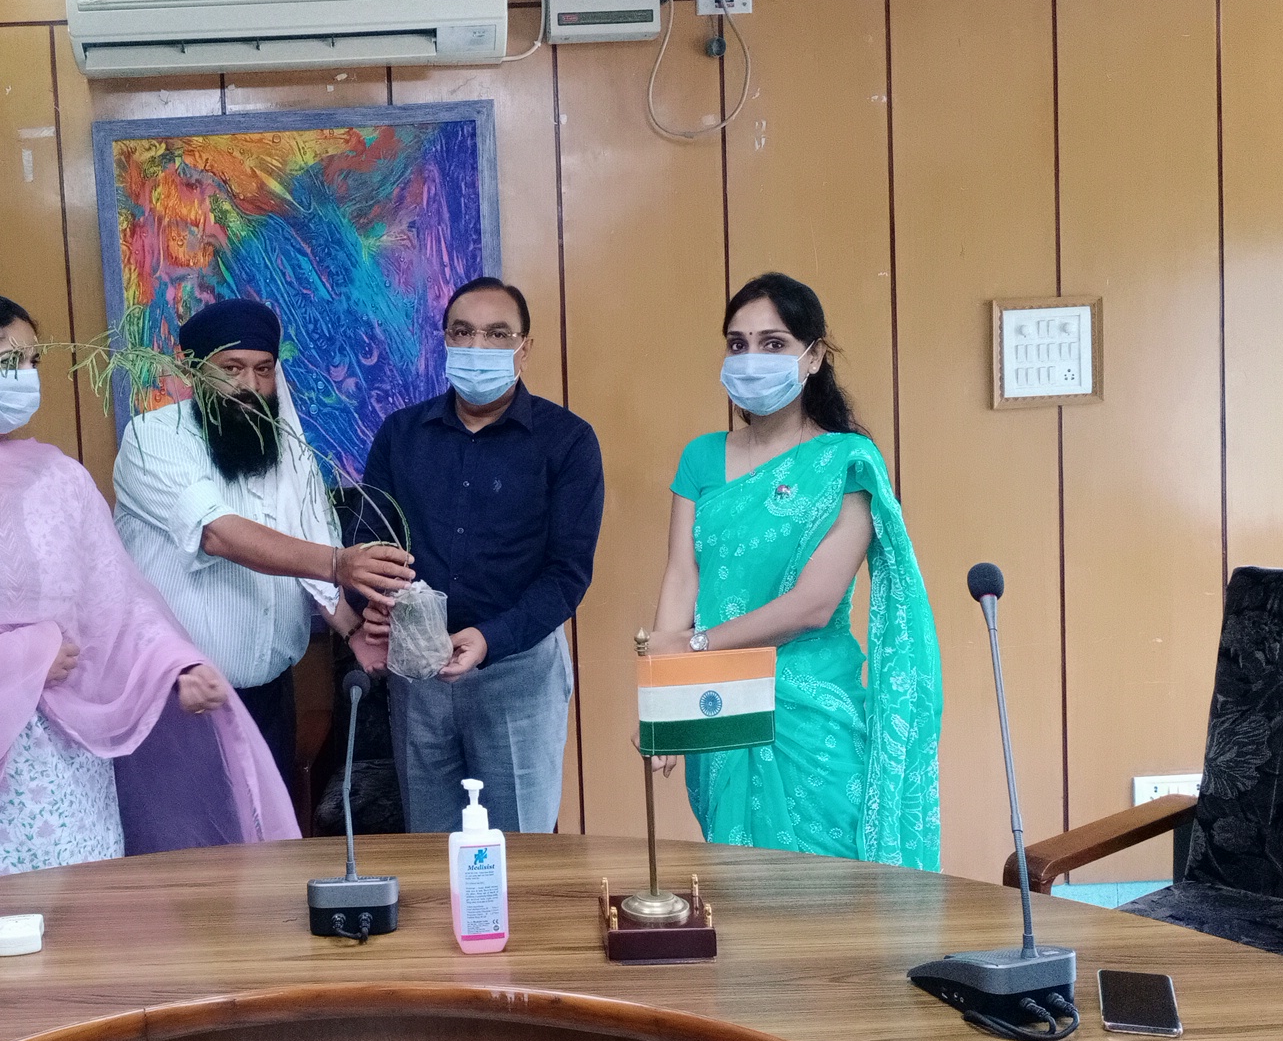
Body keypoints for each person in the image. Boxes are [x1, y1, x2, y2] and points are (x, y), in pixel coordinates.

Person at [0, 292, 298, 910]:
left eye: (33, 361)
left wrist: (177, 665)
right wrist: (27, 653)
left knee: (83, 927)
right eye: (8, 363)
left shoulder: (60, 480)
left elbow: (118, 604)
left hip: (68, 766)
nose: (27, 378)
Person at [651, 272, 942, 870]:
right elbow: (682, 576)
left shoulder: (846, 463)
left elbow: (815, 604)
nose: (751, 359)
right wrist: (663, 696)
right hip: (721, 705)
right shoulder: (700, 457)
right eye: (738, 344)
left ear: (813, 357)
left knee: (832, 890)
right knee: (739, 887)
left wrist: (692, 647)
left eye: (773, 343)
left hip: (814, 714)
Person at [113, 298, 414, 792]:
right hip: (179, 697)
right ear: (193, 370)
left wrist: (352, 628)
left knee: (268, 838)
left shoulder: (284, 449)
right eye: (231, 369)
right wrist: (338, 563)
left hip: (270, 698)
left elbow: (305, 542)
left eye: (263, 369)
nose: (249, 385)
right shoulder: (153, 438)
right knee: (190, 839)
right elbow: (218, 533)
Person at [353, 276, 605, 834]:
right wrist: (368, 599)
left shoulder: (567, 441)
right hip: (418, 671)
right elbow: (367, 541)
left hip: (517, 671)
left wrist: (491, 638)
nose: (478, 347)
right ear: (445, 340)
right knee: (431, 845)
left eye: (497, 334)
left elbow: (567, 574)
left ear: (525, 347)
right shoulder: (402, 435)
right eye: (463, 333)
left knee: (519, 847)